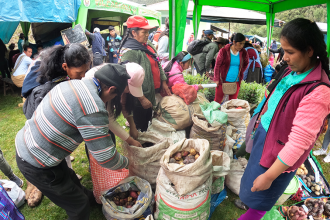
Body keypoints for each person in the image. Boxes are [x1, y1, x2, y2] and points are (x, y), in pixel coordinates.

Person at [238, 18, 330, 220]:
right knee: (253, 187)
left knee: (262, 196)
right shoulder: (293, 69)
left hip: (280, 153)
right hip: (266, 138)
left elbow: (298, 142)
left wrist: (270, 176)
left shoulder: (319, 91)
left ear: (309, 50)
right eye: (283, 51)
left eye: (290, 52)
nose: (284, 58)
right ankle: (249, 203)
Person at [16, 63, 132, 220]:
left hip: (30, 143)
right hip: (36, 161)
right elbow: (106, 158)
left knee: (68, 177)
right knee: (78, 205)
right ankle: (84, 203)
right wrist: (130, 163)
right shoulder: (93, 107)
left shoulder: (73, 83)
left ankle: (92, 199)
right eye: (113, 98)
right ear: (111, 90)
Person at [119, 15, 171, 132]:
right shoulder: (130, 52)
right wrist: (141, 98)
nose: (148, 34)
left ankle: (146, 140)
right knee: (140, 124)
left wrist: (163, 81)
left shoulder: (148, 45)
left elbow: (158, 63)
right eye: (144, 32)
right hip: (139, 98)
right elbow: (128, 79)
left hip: (150, 92)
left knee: (147, 120)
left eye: (148, 31)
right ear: (134, 33)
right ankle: (139, 145)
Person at [84, 62, 144, 148]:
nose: (129, 93)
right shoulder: (96, 85)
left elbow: (124, 104)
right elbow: (109, 119)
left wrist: (132, 125)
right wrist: (130, 141)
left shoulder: (117, 81)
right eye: (129, 90)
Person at [213, 33, 249, 103]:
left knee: (233, 103)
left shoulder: (244, 52)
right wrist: (216, 79)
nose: (242, 46)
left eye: (243, 44)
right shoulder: (223, 51)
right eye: (240, 43)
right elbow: (217, 65)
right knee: (217, 101)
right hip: (222, 80)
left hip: (236, 81)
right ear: (234, 42)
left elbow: (246, 64)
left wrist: (240, 72)